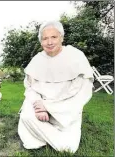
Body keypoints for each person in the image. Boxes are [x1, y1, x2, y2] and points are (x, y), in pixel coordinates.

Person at [18, 21, 94, 153]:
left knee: (68, 148)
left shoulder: (76, 56)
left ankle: (44, 135)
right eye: (45, 38)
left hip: (66, 109)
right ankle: (46, 135)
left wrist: (50, 108)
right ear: (41, 42)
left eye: (54, 37)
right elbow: (30, 88)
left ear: (61, 38)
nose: (49, 42)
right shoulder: (37, 60)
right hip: (40, 105)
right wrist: (38, 105)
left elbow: (84, 92)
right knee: (26, 116)